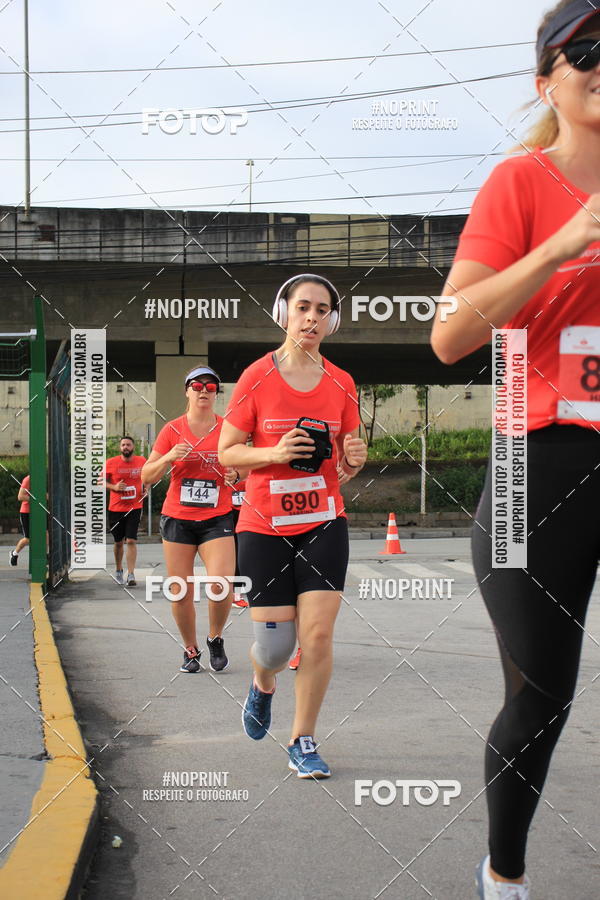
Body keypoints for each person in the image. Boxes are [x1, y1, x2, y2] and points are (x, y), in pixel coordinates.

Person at [431, 3, 600, 897]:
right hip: (541, 466)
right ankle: (504, 877)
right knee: (541, 695)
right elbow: (451, 335)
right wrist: (565, 246)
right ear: (548, 81)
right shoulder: (521, 183)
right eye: (585, 51)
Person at [219, 273, 367, 778]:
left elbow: (352, 449)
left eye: (323, 310)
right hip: (264, 525)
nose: (312, 317)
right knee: (277, 648)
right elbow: (228, 452)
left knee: (319, 636)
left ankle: (302, 738)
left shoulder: (342, 381)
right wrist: (275, 453)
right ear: (284, 313)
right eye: (303, 307)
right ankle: (263, 685)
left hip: (324, 520)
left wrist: (356, 455)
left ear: (332, 320)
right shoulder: (257, 377)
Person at [142, 366, 248, 674]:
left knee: (222, 583)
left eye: (211, 386)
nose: (204, 390)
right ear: (187, 391)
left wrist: (237, 473)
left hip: (217, 517)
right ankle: (190, 649)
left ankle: (215, 637)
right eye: (197, 385)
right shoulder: (172, 429)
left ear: (217, 393)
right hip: (178, 518)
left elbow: (249, 465)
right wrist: (167, 457)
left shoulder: (229, 428)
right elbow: (147, 475)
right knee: (181, 589)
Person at [102, 437, 147, 586]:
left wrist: (146, 488)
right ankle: (119, 569)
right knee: (118, 542)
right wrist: (114, 487)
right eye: (123, 445)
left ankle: (131, 574)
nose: (125, 447)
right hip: (115, 508)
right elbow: (100, 481)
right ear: (120, 448)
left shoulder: (141, 461)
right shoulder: (111, 462)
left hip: (134, 507)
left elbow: (149, 477)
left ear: (133, 446)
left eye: (128, 444)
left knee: (131, 540)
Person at [230, 479, 249, 608]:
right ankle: (236, 595)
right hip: (228, 511)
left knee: (248, 553)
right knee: (235, 553)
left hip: (252, 511)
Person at [9, 474, 30, 566]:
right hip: (26, 512)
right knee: (28, 538)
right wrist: (35, 499)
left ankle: (46, 556)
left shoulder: (41, 479)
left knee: (45, 533)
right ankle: (14, 553)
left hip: (38, 512)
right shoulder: (28, 479)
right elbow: (20, 496)